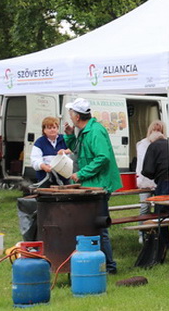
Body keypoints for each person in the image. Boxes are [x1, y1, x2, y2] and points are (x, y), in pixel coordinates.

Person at [63, 97, 122, 274]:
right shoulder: (84, 131)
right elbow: (79, 151)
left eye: (71, 112)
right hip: (91, 186)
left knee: (99, 227)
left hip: (99, 186)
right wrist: (69, 135)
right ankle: (97, 263)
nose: (70, 115)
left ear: (77, 116)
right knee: (91, 226)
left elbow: (102, 157)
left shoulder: (95, 131)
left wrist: (81, 174)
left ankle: (109, 267)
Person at [134, 121, 164, 240]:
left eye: (159, 130)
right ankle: (142, 233)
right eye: (154, 130)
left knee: (159, 208)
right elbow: (142, 164)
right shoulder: (142, 144)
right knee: (145, 207)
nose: (156, 133)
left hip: (158, 181)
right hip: (145, 180)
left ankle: (157, 234)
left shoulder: (164, 143)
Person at [30, 116, 70, 184]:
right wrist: (43, 166)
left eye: (54, 127)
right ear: (44, 130)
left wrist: (65, 151)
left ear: (57, 129)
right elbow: (35, 161)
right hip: (45, 179)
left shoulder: (64, 139)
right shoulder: (39, 142)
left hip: (64, 179)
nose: (52, 130)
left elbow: (75, 149)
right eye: (49, 128)